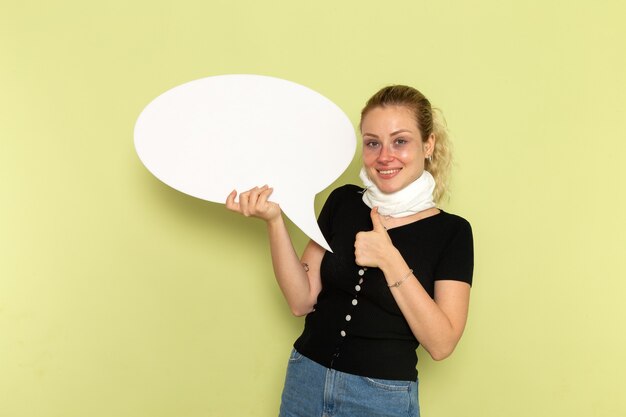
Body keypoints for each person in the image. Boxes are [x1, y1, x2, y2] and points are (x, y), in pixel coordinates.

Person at [225, 85, 474, 417]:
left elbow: (442, 344)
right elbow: (301, 301)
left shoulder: (453, 232)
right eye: (373, 143)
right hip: (306, 379)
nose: (385, 156)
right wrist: (274, 221)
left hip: (381, 398)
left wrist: (389, 259)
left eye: (400, 141)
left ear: (428, 144)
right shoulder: (343, 201)